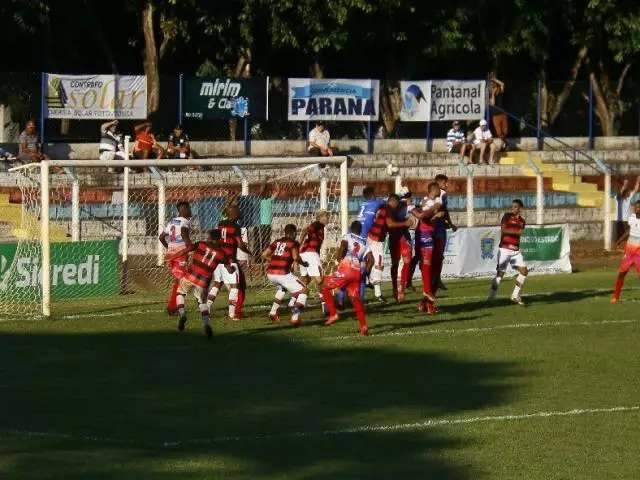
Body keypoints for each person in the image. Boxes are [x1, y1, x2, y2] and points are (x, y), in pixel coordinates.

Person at [171, 229, 232, 339]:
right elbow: (229, 269)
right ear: (219, 239)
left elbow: (187, 249)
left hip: (191, 275)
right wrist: (232, 268)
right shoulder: (222, 254)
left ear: (209, 237)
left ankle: (182, 314)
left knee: (180, 292)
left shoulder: (201, 244)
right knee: (202, 302)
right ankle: (206, 324)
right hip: (203, 281)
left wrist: (173, 256)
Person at [321, 221, 373, 336]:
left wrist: (338, 260)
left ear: (350, 229)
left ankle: (333, 314)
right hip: (357, 271)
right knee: (355, 299)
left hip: (347, 268)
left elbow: (343, 246)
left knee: (324, 287)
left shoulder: (347, 236)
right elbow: (371, 260)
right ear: (360, 231)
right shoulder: (365, 242)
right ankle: (363, 327)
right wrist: (366, 273)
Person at [367, 194, 413, 304]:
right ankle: (374, 289)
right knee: (379, 264)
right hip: (375, 240)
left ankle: (371, 283)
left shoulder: (385, 207)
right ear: (394, 202)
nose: (398, 206)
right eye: (397, 204)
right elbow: (390, 224)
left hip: (373, 238)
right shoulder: (387, 209)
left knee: (373, 263)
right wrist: (405, 223)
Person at [208, 206, 250, 320]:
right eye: (239, 212)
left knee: (217, 284)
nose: (240, 213)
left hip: (219, 260)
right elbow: (240, 245)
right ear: (235, 214)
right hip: (230, 260)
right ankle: (232, 314)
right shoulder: (236, 227)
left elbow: (215, 239)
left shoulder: (221, 223)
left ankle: (206, 308)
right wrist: (250, 252)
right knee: (235, 287)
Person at [262, 224, 309, 326]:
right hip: (282, 274)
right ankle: (295, 318)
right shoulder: (293, 243)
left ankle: (273, 312)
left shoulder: (276, 241)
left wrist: (275, 261)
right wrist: (304, 263)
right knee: (304, 290)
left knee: (282, 288)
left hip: (270, 274)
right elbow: (296, 257)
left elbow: (264, 254)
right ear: (293, 233)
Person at [487, 199, 528, 305]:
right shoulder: (506, 216)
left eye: (515, 207)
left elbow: (521, 233)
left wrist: (518, 233)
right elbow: (504, 230)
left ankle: (515, 295)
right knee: (500, 274)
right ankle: (491, 296)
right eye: (512, 206)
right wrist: (516, 232)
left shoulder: (522, 221)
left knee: (524, 271)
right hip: (504, 249)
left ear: (520, 208)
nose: (513, 208)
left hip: (515, 251)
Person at [411, 182, 443, 314]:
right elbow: (423, 215)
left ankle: (425, 303)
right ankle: (427, 293)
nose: (442, 190)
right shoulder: (435, 201)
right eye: (440, 188)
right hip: (427, 234)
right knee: (428, 265)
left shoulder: (426, 201)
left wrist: (435, 215)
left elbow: (424, 215)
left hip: (429, 233)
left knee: (429, 266)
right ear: (434, 189)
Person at [159, 201, 193, 314]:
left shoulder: (172, 221)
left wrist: (169, 248)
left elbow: (161, 237)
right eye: (189, 208)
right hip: (180, 256)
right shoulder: (185, 222)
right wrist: (189, 245)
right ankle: (173, 307)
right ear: (184, 209)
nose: (191, 211)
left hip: (171, 255)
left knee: (179, 281)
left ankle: (174, 306)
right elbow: (183, 233)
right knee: (181, 282)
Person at [299, 210, 330, 311]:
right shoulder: (318, 224)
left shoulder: (320, 228)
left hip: (304, 254)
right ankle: (325, 306)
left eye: (327, 217)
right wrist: (299, 244)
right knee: (320, 280)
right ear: (320, 218)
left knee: (305, 280)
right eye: (326, 216)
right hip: (310, 253)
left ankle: (296, 302)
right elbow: (305, 230)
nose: (327, 219)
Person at [611, 200, 640, 303]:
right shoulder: (632, 218)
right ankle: (616, 296)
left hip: (639, 252)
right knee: (622, 273)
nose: (637, 209)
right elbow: (629, 230)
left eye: (639, 207)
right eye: (636, 207)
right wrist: (619, 241)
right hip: (629, 250)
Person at [432, 174, 457, 293]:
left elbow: (444, 210)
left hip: (437, 227)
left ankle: (436, 278)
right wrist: (442, 220)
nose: (447, 185)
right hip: (437, 228)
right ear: (440, 184)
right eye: (445, 183)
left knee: (437, 256)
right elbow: (438, 210)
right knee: (438, 256)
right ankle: (435, 279)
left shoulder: (434, 194)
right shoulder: (442, 194)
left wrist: (450, 223)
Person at [388, 187, 413, 302]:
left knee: (408, 262)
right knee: (395, 264)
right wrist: (406, 223)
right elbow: (391, 224)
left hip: (404, 237)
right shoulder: (391, 208)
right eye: (407, 197)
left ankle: (401, 289)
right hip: (394, 239)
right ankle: (395, 289)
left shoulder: (407, 206)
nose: (409, 199)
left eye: (409, 196)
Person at [615, 177, 640, 245]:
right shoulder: (618, 199)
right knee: (626, 234)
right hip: (621, 220)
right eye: (629, 192)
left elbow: (635, 190)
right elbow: (621, 192)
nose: (630, 192)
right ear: (625, 193)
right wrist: (625, 184)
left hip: (626, 220)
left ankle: (619, 243)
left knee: (627, 234)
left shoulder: (628, 199)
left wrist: (637, 181)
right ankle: (618, 243)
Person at [488, 75, 508, 149]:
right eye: (491, 84)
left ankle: (504, 144)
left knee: (505, 132)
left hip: (503, 113)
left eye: (493, 83)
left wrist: (495, 79)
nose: (492, 85)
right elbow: (493, 104)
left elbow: (502, 84)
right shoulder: (490, 94)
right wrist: (492, 94)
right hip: (495, 115)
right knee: (499, 132)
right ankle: (503, 145)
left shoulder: (500, 90)